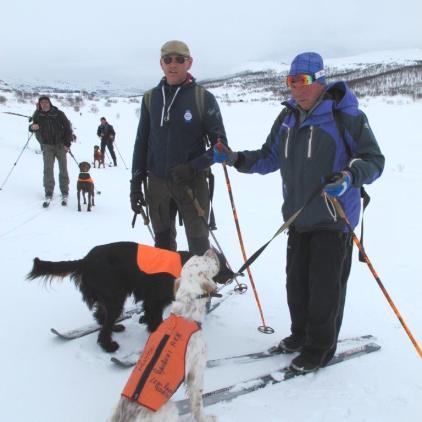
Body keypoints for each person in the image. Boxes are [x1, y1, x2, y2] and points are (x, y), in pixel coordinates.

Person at [213, 52, 385, 373]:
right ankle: (300, 335)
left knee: (324, 290)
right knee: (297, 285)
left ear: (320, 81)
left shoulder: (345, 117)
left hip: (334, 220)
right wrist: (235, 158)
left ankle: (320, 348)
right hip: (297, 218)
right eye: (291, 82)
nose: (297, 89)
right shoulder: (288, 118)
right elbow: (268, 157)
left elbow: (374, 160)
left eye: (303, 81)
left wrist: (349, 178)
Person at [130, 40, 227, 255]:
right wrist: (136, 183)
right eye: (168, 60)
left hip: (191, 183)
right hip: (157, 183)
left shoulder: (203, 98)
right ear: (161, 64)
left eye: (179, 60)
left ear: (189, 63)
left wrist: (193, 167)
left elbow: (221, 147)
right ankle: (166, 288)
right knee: (162, 246)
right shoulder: (150, 98)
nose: (173, 65)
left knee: (199, 244)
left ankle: (202, 289)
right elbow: (141, 142)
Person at [29, 96, 73, 205]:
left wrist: (67, 143)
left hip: (60, 145)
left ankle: (65, 191)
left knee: (63, 169)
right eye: (42, 102)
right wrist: (32, 127)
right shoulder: (37, 114)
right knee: (48, 170)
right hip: (47, 146)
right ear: (39, 104)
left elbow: (68, 128)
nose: (44, 104)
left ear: (50, 103)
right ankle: (48, 191)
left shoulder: (59, 113)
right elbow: (32, 126)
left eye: (46, 102)